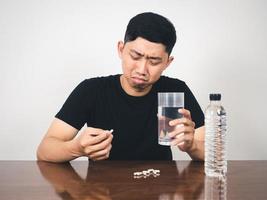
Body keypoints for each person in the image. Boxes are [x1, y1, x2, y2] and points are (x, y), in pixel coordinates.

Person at [37, 12, 205, 162]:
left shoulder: (174, 91)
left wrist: (192, 146)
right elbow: (45, 150)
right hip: (102, 193)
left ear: (167, 63)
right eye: (135, 56)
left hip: (160, 189)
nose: (141, 70)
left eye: (154, 61)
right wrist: (77, 148)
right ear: (121, 49)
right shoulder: (92, 90)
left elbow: (212, 153)